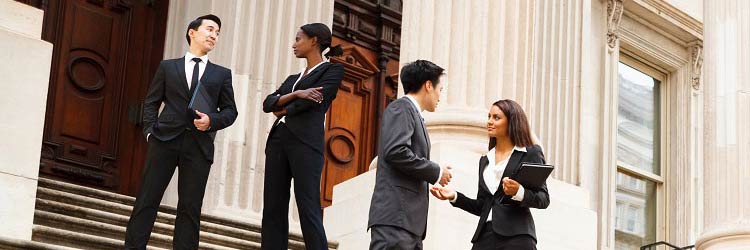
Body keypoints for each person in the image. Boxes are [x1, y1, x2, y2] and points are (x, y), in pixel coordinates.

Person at [124, 14, 238, 249]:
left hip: (198, 147)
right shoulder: (168, 67)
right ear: (192, 32)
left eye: (217, 32)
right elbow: (152, 102)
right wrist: (149, 132)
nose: (214, 35)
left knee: (190, 208)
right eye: (210, 29)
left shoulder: (221, 74)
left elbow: (230, 111)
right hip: (164, 140)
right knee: (147, 200)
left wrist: (211, 121)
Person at [260, 23, 344, 250]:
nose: (294, 44)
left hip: (306, 143)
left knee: (308, 205)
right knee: (273, 206)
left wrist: (284, 106)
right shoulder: (292, 79)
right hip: (278, 140)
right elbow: (267, 103)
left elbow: (315, 100)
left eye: (298, 39)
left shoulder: (333, 71)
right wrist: (297, 93)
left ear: (314, 41)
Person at [431, 99, 549, 250]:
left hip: (517, 236)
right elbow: (482, 205)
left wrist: (519, 192)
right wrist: (454, 196)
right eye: (489, 117)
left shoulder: (530, 153)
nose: (489, 122)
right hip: (485, 236)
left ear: (511, 122)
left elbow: (543, 199)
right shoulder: (485, 160)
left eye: (496, 117)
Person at [367, 60, 454, 250]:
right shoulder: (402, 108)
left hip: (408, 224)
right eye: (440, 88)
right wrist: (436, 171)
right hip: (395, 221)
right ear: (428, 85)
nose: (440, 96)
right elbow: (396, 151)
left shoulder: (412, 113)